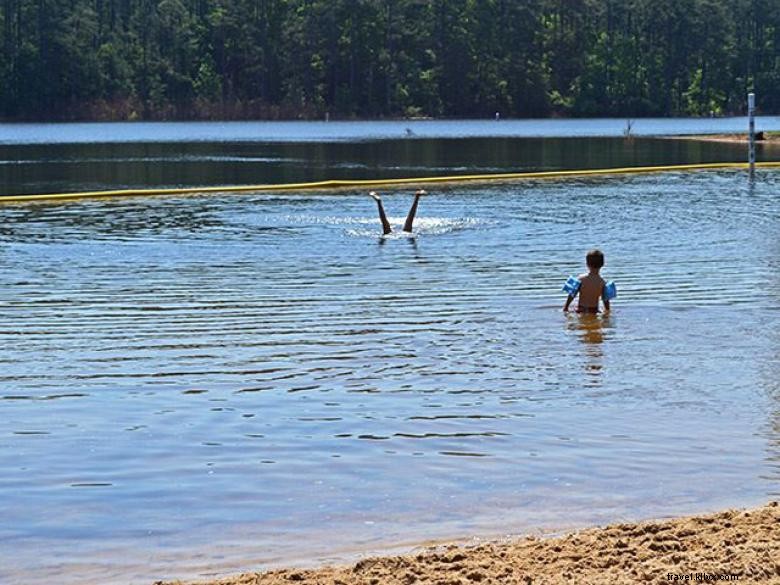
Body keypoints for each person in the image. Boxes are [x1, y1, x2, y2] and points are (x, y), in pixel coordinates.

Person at [563, 249, 615, 313]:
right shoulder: (602, 282)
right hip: (594, 311)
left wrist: (566, 307)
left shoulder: (581, 279)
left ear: (587, 264)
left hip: (581, 310)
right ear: (602, 264)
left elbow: (572, 294)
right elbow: (606, 300)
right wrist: (607, 311)